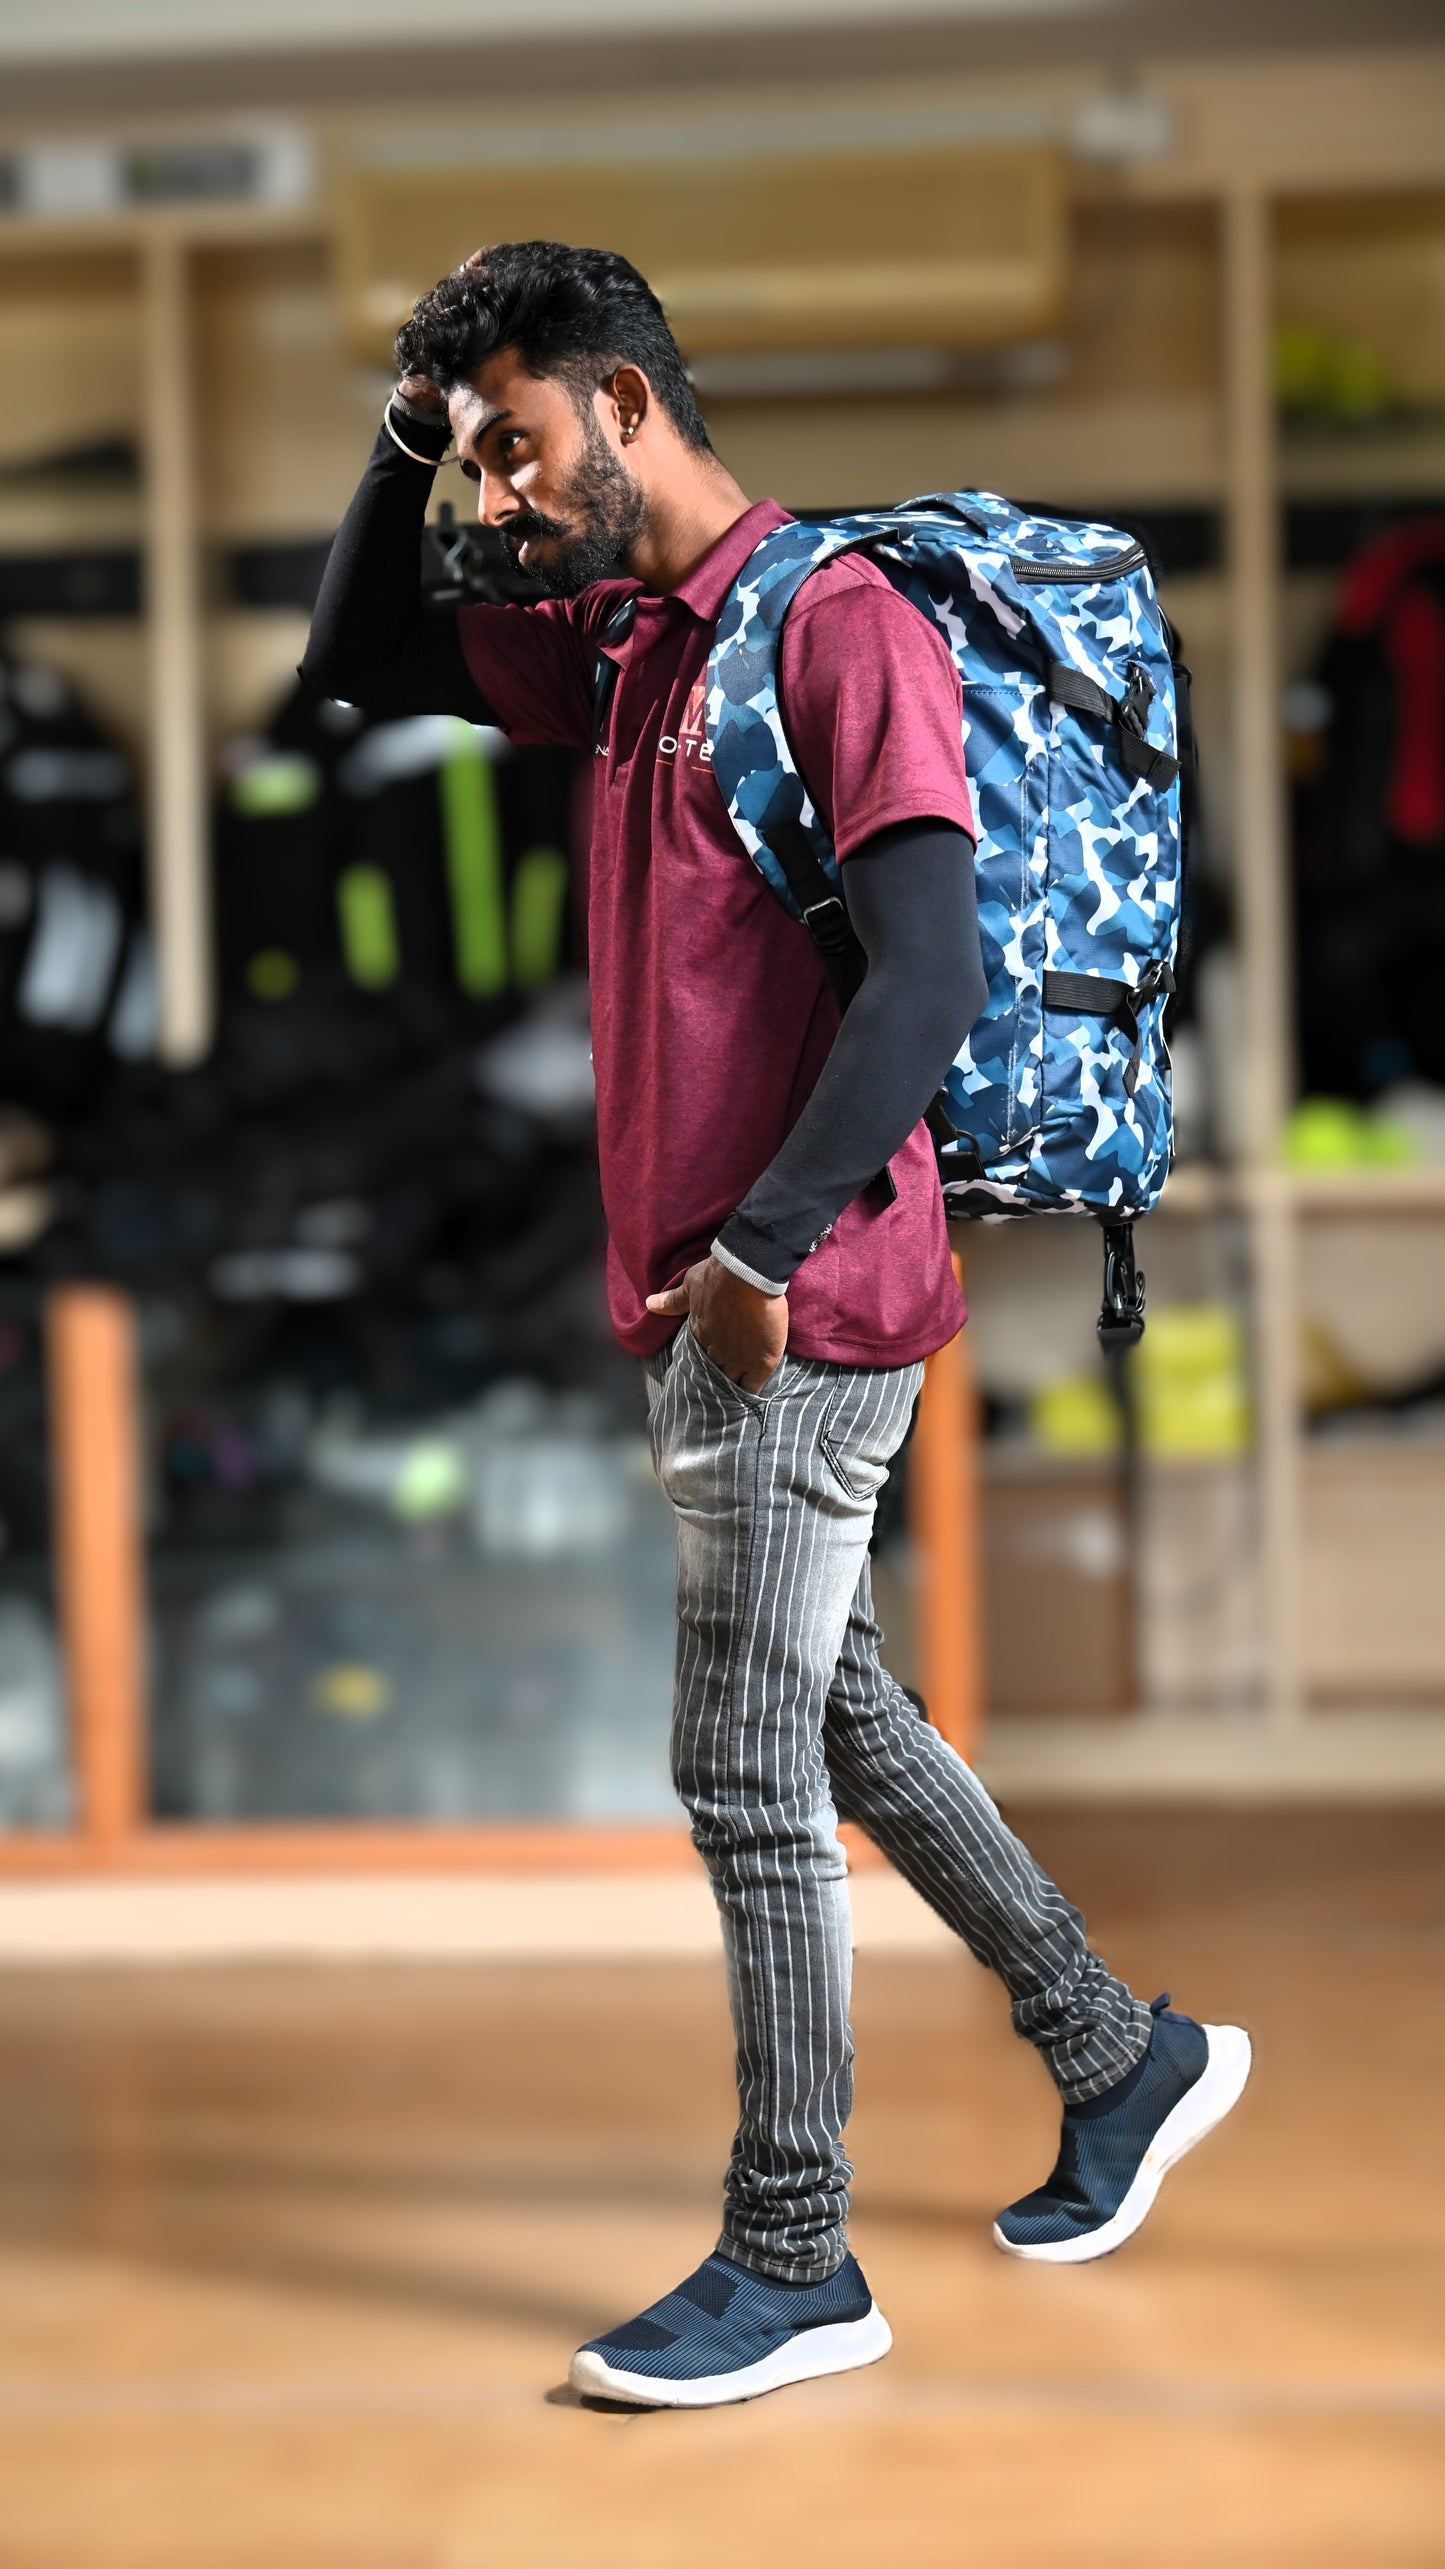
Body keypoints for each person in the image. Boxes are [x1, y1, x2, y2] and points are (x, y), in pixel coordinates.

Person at [303, 239, 1251, 2411]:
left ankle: (794, 2252)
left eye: (520, 446)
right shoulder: (632, 645)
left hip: (793, 1301)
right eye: (478, 457)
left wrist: (757, 1256)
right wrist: (408, 426)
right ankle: (1118, 2051)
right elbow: (362, 648)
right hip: (717, 1291)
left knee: (739, 1765)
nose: (498, 495)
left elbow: (929, 979)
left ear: (630, 405)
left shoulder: (832, 627)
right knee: (833, 1710)